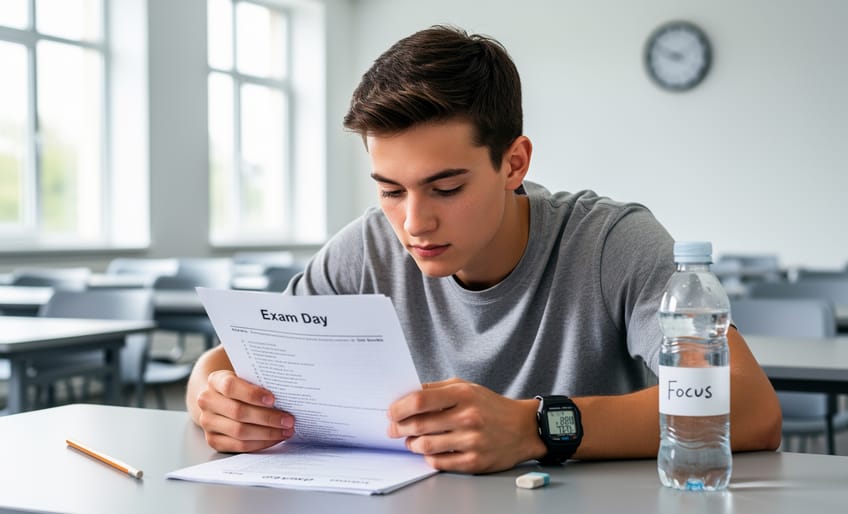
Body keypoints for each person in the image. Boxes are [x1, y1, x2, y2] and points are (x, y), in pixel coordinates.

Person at [186, 25, 782, 474]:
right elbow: (227, 362)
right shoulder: (366, 249)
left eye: (447, 187)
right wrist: (210, 397)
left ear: (513, 163)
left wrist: (534, 426)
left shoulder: (609, 242)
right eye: (391, 190)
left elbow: (752, 408)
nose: (413, 222)